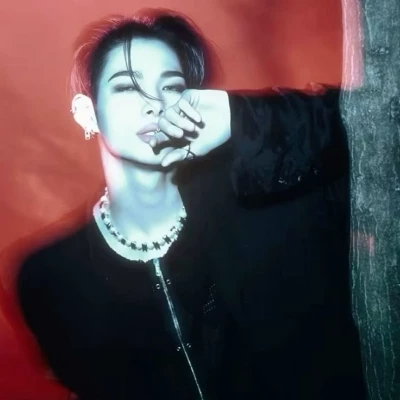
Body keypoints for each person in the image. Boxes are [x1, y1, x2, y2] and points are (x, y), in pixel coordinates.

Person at [16, 9, 366, 400]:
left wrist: (241, 118)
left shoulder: (273, 201)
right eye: (127, 86)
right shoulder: (49, 278)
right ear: (87, 113)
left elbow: (372, 118)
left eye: (172, 86)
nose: (154, 103)